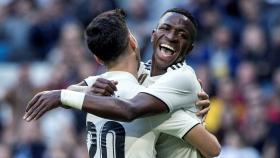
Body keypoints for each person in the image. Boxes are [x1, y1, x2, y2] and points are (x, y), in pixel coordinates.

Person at [24, 8, 220, 157]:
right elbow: (213, 149)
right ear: (149, 36)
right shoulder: (138, 78)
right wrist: (86, 91)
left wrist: (63, 96)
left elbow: (129, 109)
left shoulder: (182, 77)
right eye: (166, 28)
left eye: (182, 35)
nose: (171, 36)